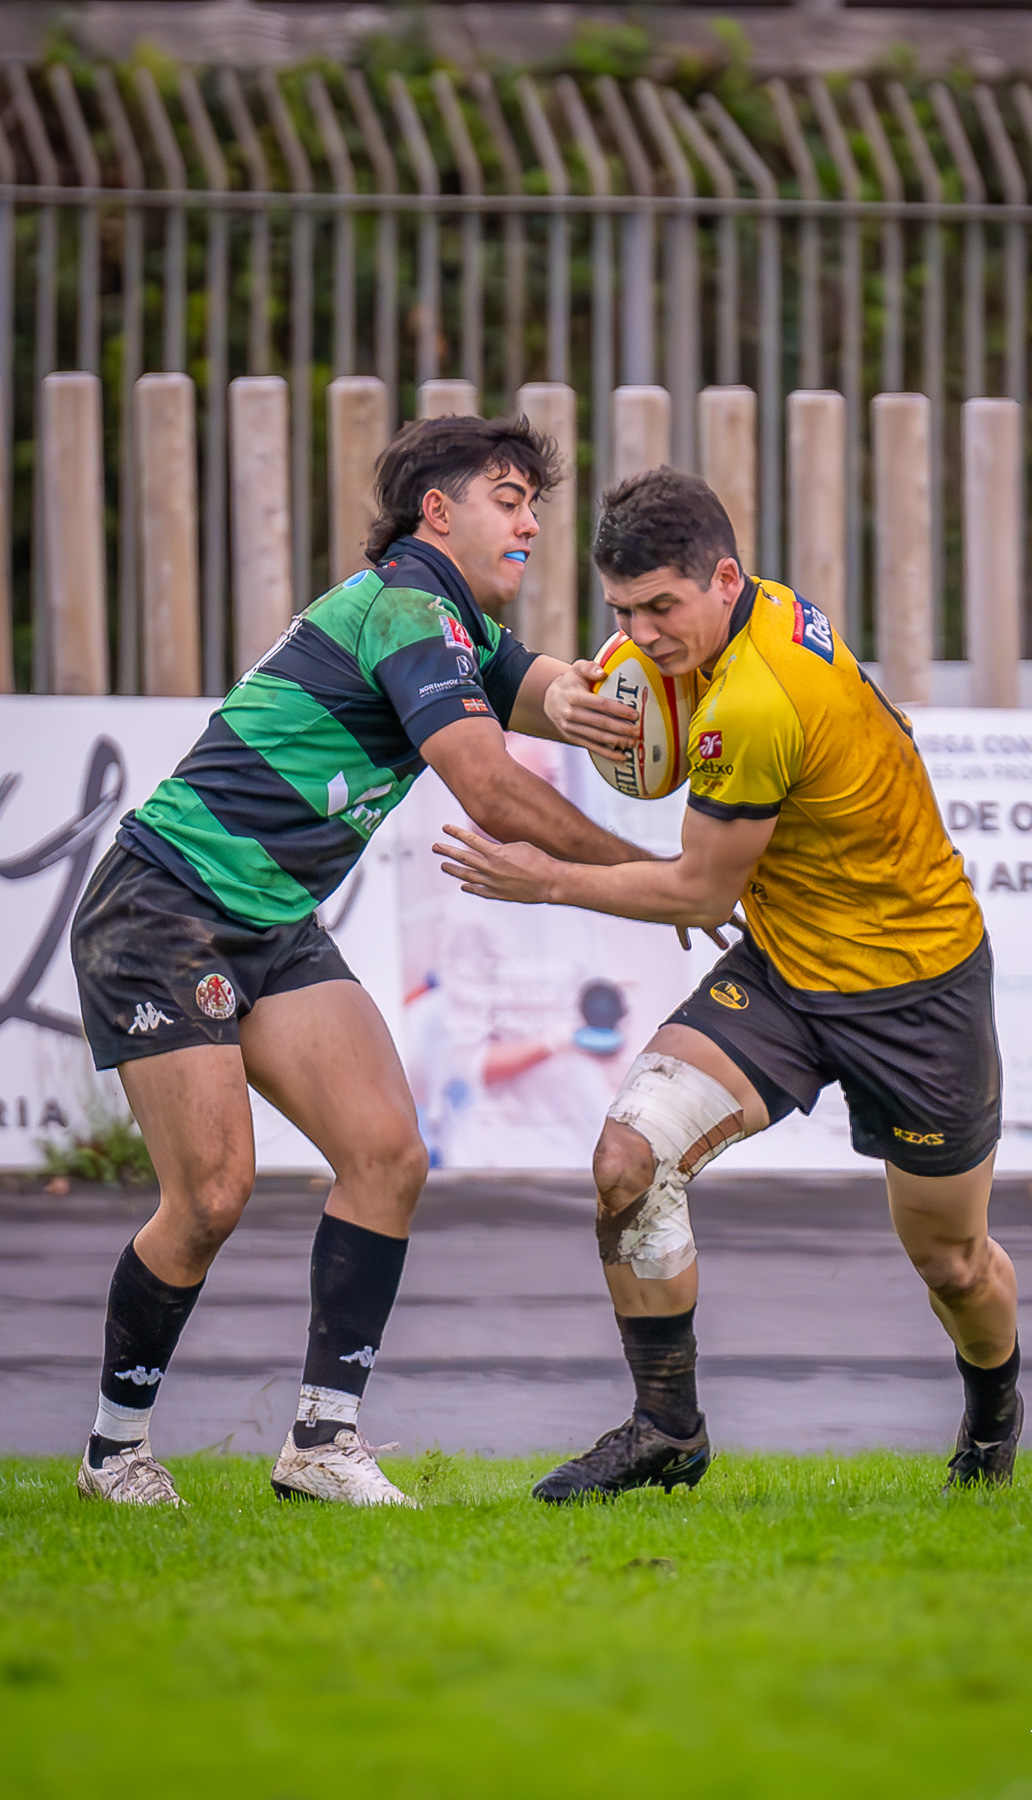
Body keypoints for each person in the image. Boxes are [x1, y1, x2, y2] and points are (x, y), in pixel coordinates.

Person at [70, 412, 647, 1508]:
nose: (532, 522)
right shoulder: (407, 607)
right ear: (439, 511)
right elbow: (490, 785)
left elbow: (546, 697)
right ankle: (113, 1455)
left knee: (386, 1154)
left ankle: (322, 1445)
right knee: (211, 1196)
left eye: (536, 503)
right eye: (509, 498)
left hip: (271, 918)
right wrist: (650, 874)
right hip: (164, 906)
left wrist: (628, 704)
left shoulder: (454, 623)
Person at [436, 466, 1021, 1502]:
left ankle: (991, 1417)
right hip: (791, 969)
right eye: (622, 610)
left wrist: (546, 881)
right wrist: (582, 687)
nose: (645, 634)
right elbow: (650, 716)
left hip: (917, 989)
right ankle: (668, 1429)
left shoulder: (753, 699)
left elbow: (699, 892)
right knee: (627, 1160)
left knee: (953, 1264)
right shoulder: (749, 619)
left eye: (661, 608)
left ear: (722, 578)